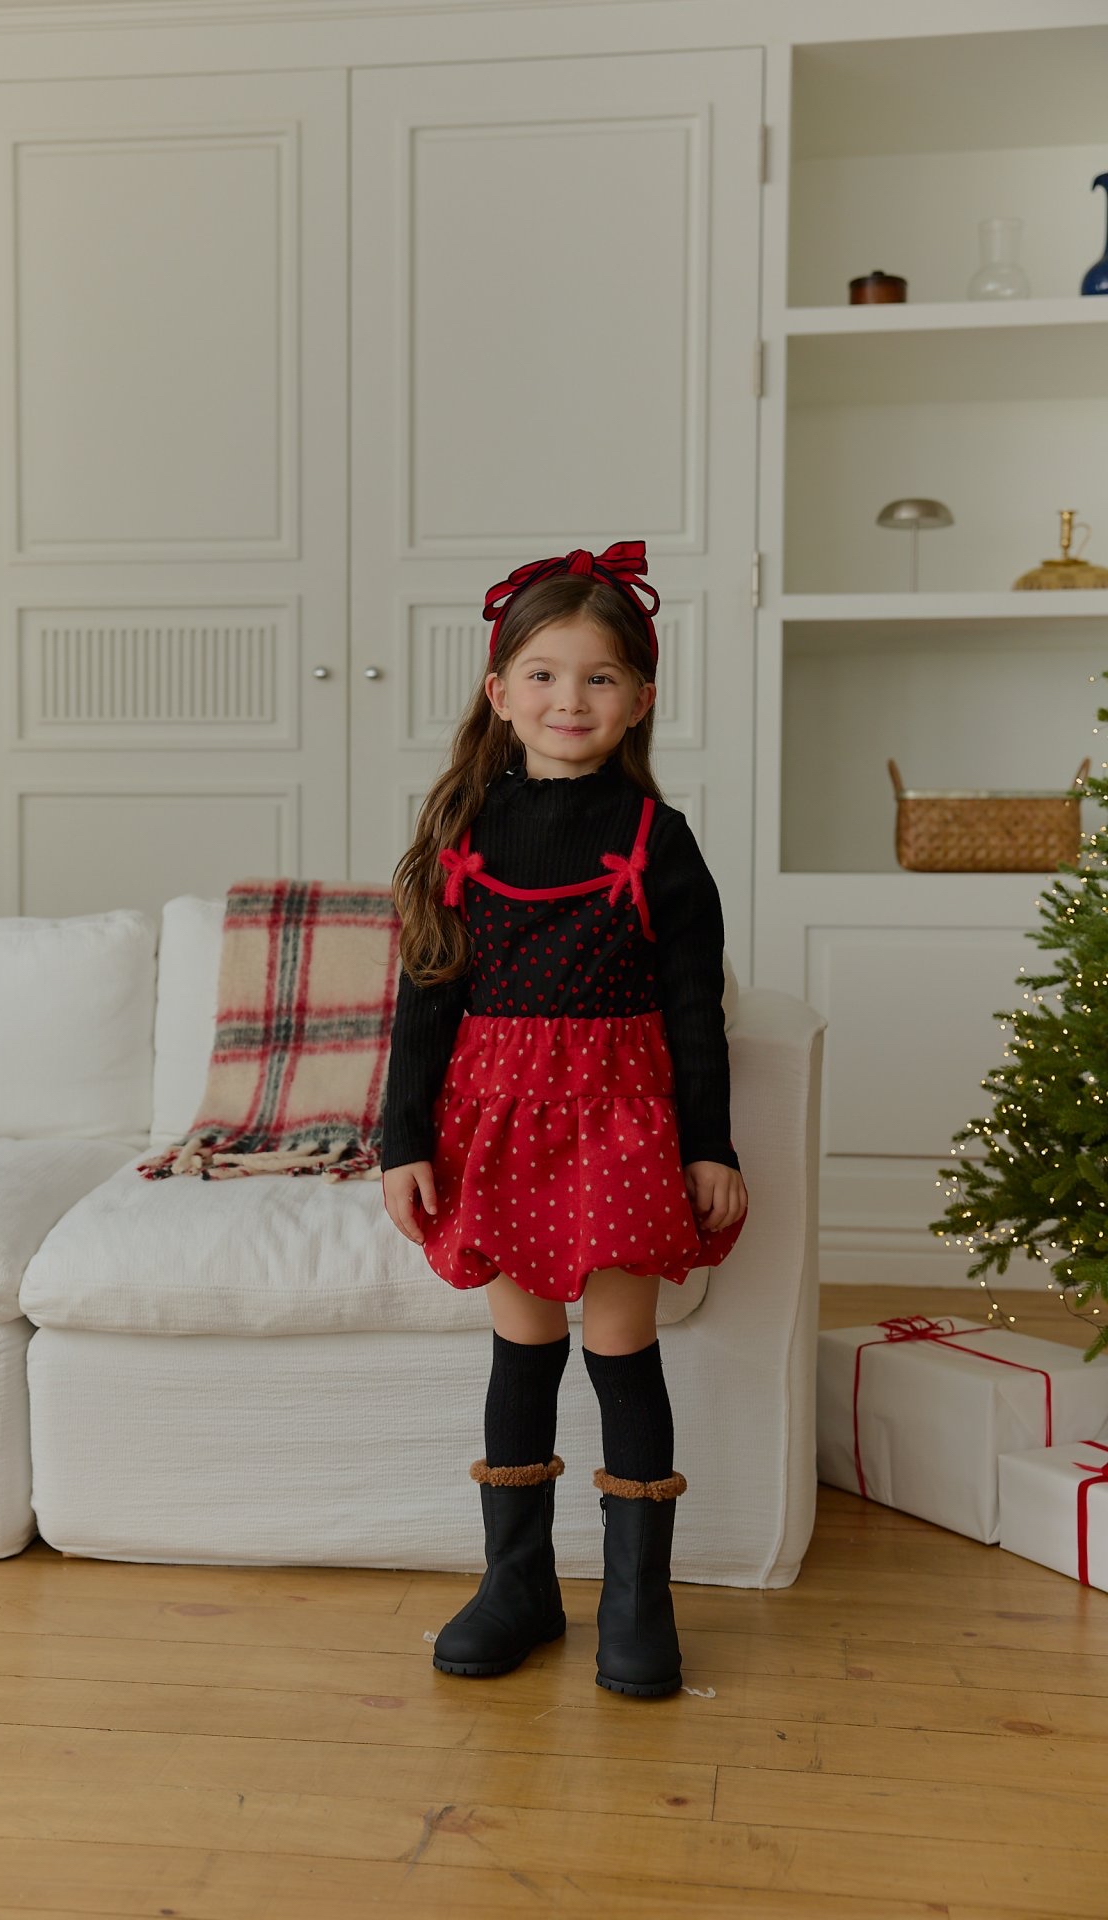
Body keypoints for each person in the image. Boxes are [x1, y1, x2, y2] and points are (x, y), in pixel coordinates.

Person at [381, 539, 748, 1699]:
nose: (568, 699)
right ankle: (517, 1586)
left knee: (619, 1350)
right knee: (522, 1351)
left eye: (598, 677)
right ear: (499, 692)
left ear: (639, 698)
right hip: (493, 1129)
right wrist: (401, 1142)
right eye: (542, 675)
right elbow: (424, 1001)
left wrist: (709, 1145)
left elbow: (693, 1009)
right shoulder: (462, 836)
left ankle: (637, 1602)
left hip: (619, 1126)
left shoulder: (655, 839)